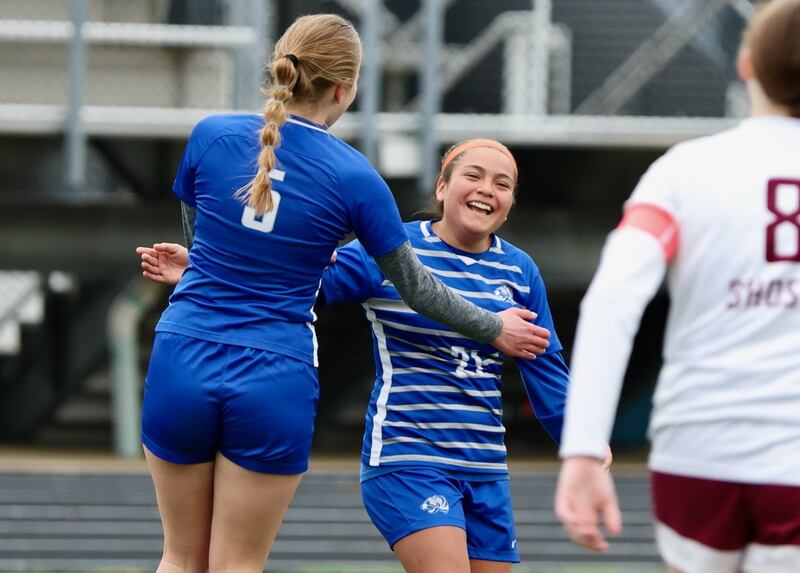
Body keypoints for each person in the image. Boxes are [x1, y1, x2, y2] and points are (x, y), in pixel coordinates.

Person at [138, 13, 551, 573]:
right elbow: (418, 288)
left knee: (180, 557)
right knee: (236, 563)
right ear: (345, 87)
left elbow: (205, 236)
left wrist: (198, 274)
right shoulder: (356, 176)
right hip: (272, 370)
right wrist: (492, 325)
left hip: (182, 353)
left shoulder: (210, 134)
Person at [141, 139, 612, 573]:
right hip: (408, 459)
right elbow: (296, 289)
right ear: (443, 186)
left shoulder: (520, 270)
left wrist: (583, 439)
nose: (487, 190)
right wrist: (204, 275)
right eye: (473, 176)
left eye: (502, 184)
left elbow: (547, 368)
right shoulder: (390, 252)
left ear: (509, 205)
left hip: (486, 467)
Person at [554, 1, 800, 571]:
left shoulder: (682, 171)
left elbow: (612, 301)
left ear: (746, 63)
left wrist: (585, 448)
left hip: (698, 451)